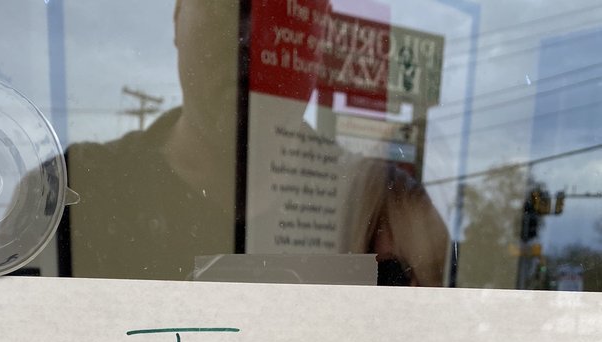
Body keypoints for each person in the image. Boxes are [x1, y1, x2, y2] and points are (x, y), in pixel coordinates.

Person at [66, 0, 449, 285]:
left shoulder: (387, 210)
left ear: (323, 39)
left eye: (285, 10)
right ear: (178, 17)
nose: (250, 36)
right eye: (224, 5)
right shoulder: (76, 193)